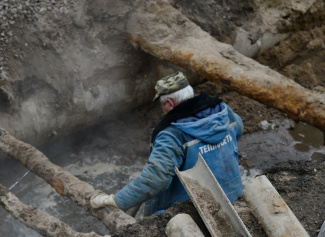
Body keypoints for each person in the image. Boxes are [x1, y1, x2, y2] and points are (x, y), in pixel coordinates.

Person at [90, 71, 244, 216]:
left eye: (162, 104)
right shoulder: (223, 112)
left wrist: (116, 200)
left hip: (194, 212)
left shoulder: (172, 135)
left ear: (169, 103)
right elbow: (239, 129)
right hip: (231, 195)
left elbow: (157, 179)